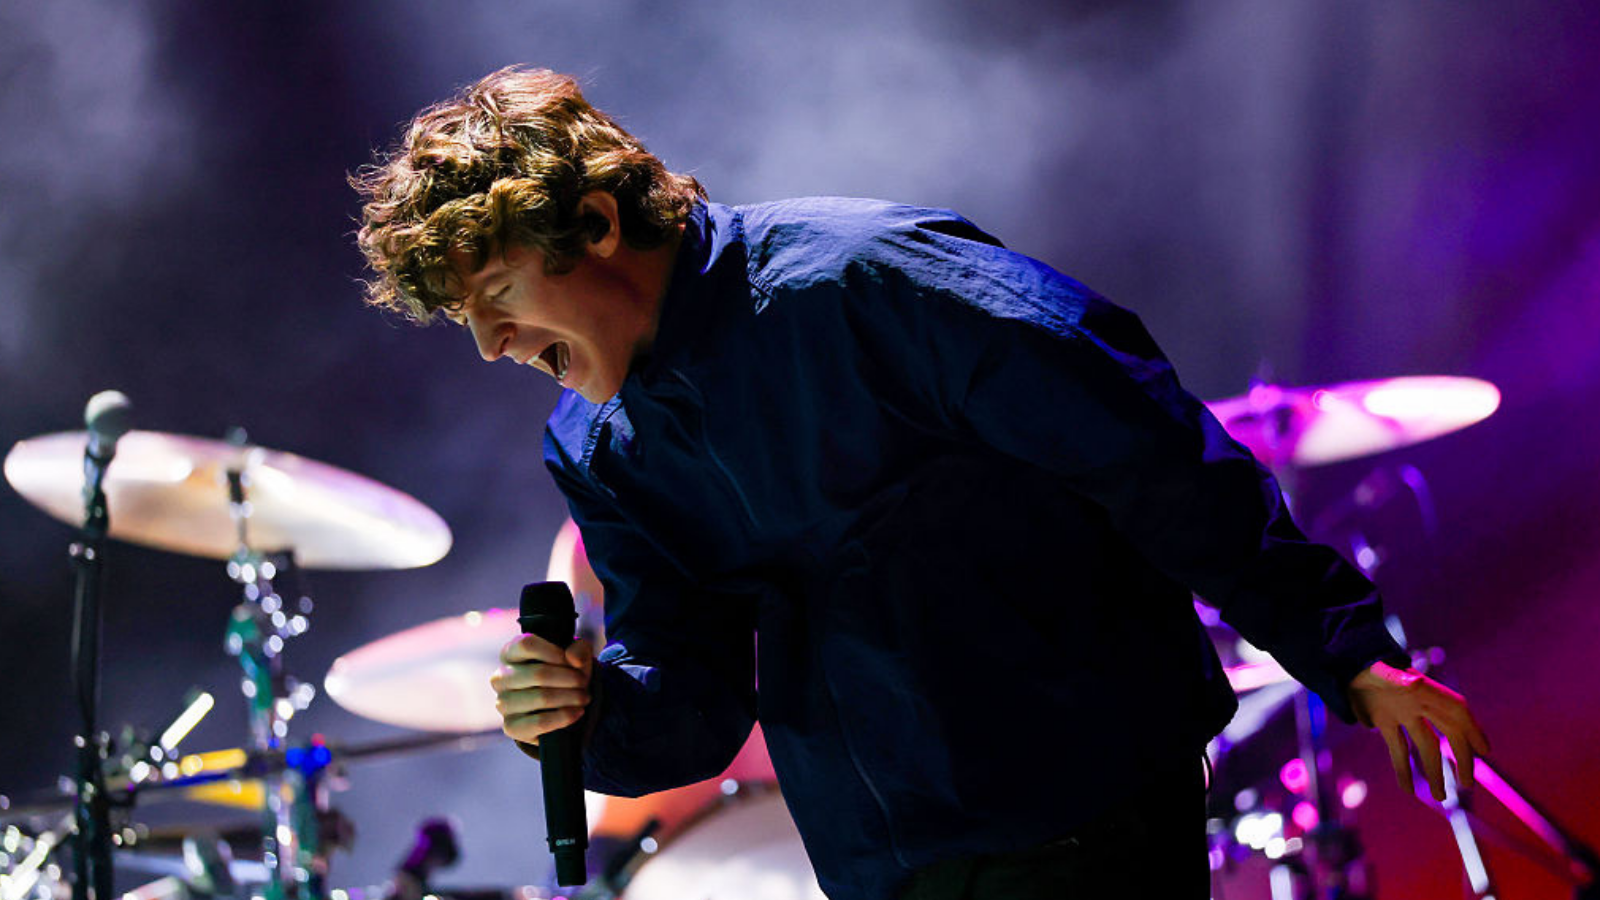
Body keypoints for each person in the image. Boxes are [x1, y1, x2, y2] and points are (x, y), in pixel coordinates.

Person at [352, 66, 1490, 899]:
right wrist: (591, 714)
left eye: (496, 296)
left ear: (594, 222)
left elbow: (1147, 449)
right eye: (465, 321)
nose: (491, 347)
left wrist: (1343, 649)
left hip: (1086, 823)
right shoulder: (598, 445)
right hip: (879, 868)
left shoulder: (866, 282)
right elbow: (690, 698)